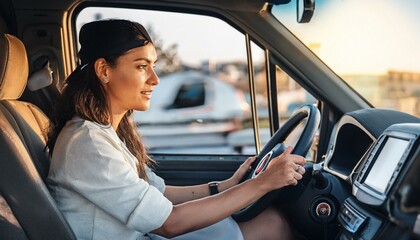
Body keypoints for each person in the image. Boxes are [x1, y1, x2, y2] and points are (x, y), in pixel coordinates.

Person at [46, 19, 307, 240]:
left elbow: (161, 193)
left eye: (153, 66)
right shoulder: (88, 142)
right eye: (141, 66)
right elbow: (168, 223)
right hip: (149, 233)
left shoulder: (106, 133)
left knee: (267, 220)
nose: (154, 79)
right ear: (104, 70)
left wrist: (225, 186)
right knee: (273, 225)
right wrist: (262, 183)